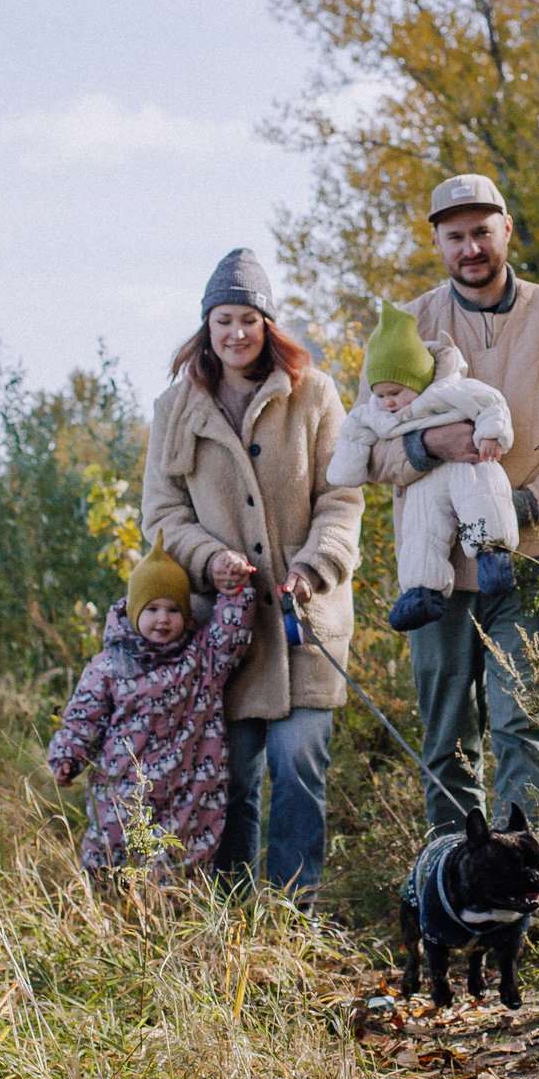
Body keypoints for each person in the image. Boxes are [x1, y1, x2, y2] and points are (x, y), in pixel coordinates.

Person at [358, 175, 539, 836]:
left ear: (507, 230)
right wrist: (429, 445)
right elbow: (365, 452)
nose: (470, 247)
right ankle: (454, 878)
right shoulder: (408, 328)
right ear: (437, 242)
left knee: (521, 724)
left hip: (534, 558)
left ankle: (517, 889)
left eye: (482, 231)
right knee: (448, 735)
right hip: (437, 569)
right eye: (456, 236)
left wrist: (526, 503)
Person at [142, 248, 363, 899]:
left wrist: (316, 564)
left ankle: (297, 916)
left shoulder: (314, 393)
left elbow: (342, 496)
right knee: (230, 777)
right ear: (205, 328)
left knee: (299, 768)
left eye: (248, 318)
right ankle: (234, 923)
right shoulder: (174, 408)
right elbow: (161, 512)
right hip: (224, 633)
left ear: (268, 323)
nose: (236, 333)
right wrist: (209, 558)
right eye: (223, 320)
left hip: (305, 622)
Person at [45, 549, 254, 874]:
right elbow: (83, 719)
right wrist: (67, 758)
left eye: (173, 610)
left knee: (179, 868)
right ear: (133, 610)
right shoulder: (110, 666)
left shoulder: (201, 660)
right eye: (152, 608)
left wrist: (235, 589)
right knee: (111, 861)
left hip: (188, 796)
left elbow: (231, 633)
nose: (162, 619)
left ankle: (174, 915)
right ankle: (106, 912)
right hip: (124, 791)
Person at [328, 301, 520, 632]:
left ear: (416, 381)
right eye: (380, 394)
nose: (387, 402)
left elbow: (491, 402)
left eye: (395, 392)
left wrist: (491, 436)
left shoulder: (450, 391)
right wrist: (347, 469)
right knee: (420, 529)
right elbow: (353, 432)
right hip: (423, 478)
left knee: (483, 493)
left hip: (468, 460)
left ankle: (494, 555)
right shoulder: (376, 411)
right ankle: (423, 593)